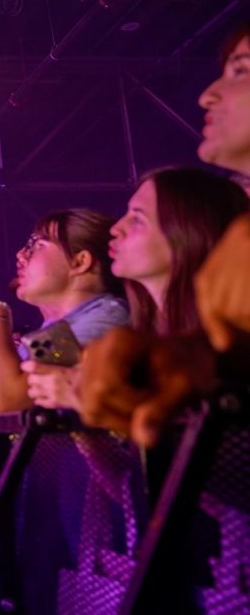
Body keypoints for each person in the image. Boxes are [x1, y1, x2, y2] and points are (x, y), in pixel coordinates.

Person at [79, 166, 247, 445]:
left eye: (138, 218)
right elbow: (139, 485)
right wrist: (84, 424)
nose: (116, 227)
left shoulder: (227, 351)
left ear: (187, 233)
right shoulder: (150, 337)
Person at [0, 209, 128, 413]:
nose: (20, 255)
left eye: (38, 246)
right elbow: (14, 396)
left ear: (80, 262)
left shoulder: (105, 320)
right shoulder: (70, 326)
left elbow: (7, 398)